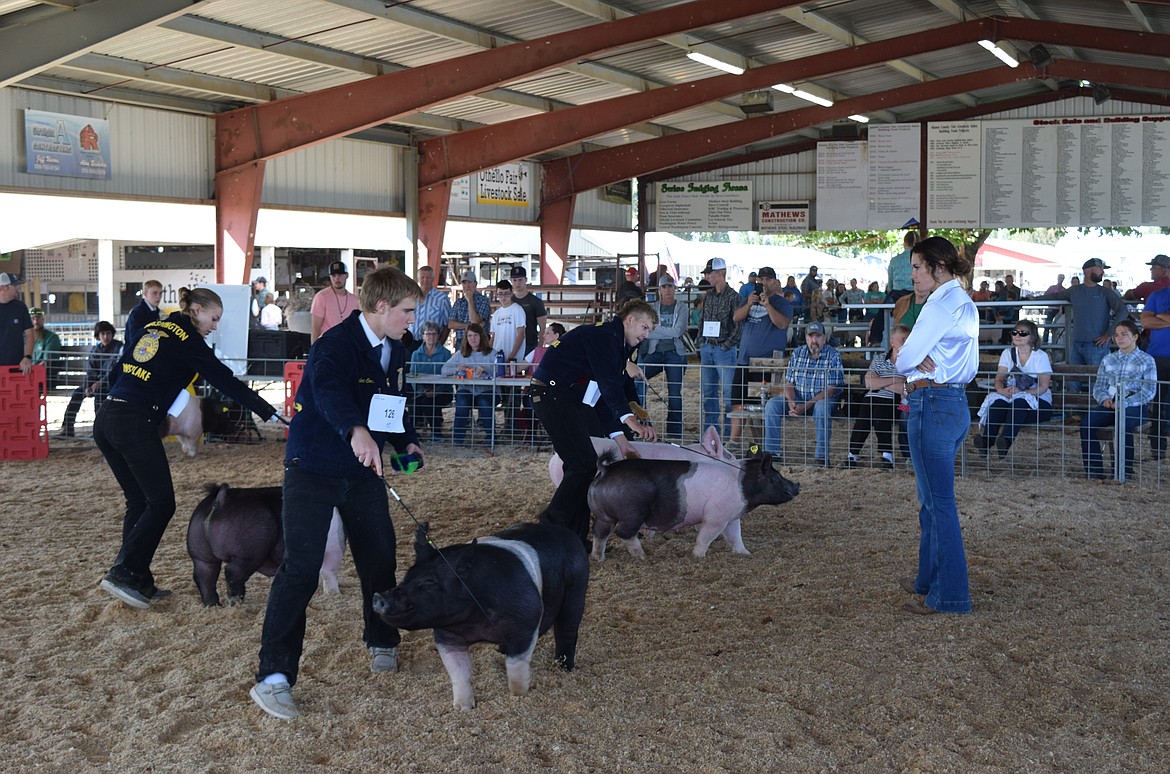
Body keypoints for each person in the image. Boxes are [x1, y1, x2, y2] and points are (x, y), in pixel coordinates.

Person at [251, 267, 423, 720]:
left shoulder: (395, 347)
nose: (412, 321)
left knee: (379, 556)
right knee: (301, 569)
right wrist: (355, 430)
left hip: (363, 470)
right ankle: (274, 677)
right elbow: (327, 392)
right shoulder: (334, 344)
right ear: (382, 307)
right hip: (313, 467)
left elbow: (389, 400)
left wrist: (405, 439)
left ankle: (382, 639)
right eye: (407, 311)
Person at [97, 287, 282, 610]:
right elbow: (225, 379)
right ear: (196, 310)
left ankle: (137, 576)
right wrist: (269, 412)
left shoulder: (152, 328)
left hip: (107, 419)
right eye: (214, 318)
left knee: (139, 501)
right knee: (161, 503)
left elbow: (117, 371)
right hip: (134, 422)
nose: (215, 326)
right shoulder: (187, 339)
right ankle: (123, 571)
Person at [895, 235, 979, 616]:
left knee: (939, 504)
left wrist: (910, 353)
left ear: (938, 268)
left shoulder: (937, 306)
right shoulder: (962, 302)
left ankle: (951, 595)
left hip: (932, 401)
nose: (912, 275)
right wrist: (916, 354)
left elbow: (903, 359)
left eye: (917, 267)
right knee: (932, 503)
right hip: (954, 402)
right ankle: (927, 581)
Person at [529, 300, 658, 545]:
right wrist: (631, 422)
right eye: (644, 327)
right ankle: (549, 527)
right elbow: (610, 388)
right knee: (583, 465)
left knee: (583, 466)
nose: (645, 335)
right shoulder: (604, 338)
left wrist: (622, 442)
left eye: (649, 330)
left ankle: (574, 538)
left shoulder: (616, 345)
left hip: (566, 398)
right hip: (550, 395)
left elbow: (601, 395)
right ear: (629, 319)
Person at [1079, 319, 1157, 480]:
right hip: (1112, 403)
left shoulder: (1147, 360)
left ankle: (1123, 471)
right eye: (1116, 335)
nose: (1119, 338)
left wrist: (1125, 403)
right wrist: (1104, 399)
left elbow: (1149, 391)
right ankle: (1094, 470)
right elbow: (1099, 386)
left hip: (1135, 404)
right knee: (1087, 423)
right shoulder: (1109, 359)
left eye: (1124, 334)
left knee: (1124, 423)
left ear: (1135, 337)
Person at [762, 321, 844, 467]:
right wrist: (791, 401)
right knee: (772, 405)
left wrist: (806, 405)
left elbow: (831, 389)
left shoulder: (833, 355)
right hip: (800, 397)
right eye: (811, 336)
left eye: (817, 336)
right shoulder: (798, 353)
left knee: (822, 408)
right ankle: (772, 453)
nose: (814, 340)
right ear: (806, 338)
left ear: (824, 338)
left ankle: (821, 457)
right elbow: (789, 383)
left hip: (823, 399)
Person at [972, 319, 1053, 457]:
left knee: (1019, 403)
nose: (1017, 336)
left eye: (1023, 333)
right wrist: (1001, 390)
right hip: (1012, 397)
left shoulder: (1040, 356)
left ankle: (1006, 441)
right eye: (1015, 332)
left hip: (1038, 402)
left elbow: (1043, 386)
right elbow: (999, 379)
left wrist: (1023, 393)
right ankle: (986, 442)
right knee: (997, 404)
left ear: (1032, 336)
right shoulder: (1007, 353)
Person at [730, 266, 792, 444]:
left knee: (763, 406)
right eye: (760, 280)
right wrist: (749, 303)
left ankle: (764, 443)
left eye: (767, 280)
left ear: (775, 282)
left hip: (768, 363)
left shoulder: (783, 304)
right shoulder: (749, 299)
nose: (763, 283)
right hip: (744, 360)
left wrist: (768, 305)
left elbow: (782, 324)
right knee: (738, 402)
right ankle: (734, 440)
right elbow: (736, 317)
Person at [1056, 258, 1129, 392]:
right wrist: (1032, 299)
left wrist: (1109, 333)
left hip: (1097, 344)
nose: (1102, 272)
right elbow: (1055, 297)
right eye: (1099, 269)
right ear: (1087, 271)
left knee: (1097, 383)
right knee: (1073, 380)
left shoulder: (1105, 292)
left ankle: (1094, 412)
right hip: (1077, 343)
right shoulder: (1075, 290)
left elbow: (1123, 310)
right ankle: (1075, 412)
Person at [844, 325, 910, 470]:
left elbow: (905, 388)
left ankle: (863, 455)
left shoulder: (911, 362)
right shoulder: (880, 359)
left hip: (894, 400)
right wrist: (893, 381)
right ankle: (857, 454)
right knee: (865, 415)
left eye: (908, 340)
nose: (906, 343)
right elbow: (868, 383)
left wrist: (880, 383)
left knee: (879, 410)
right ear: (892, 342)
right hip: (873, 396)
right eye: (902, 339)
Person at [636, 274, 688, 440]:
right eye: (664, 287)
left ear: (675, 289)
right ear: (659, 289)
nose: (667, 290)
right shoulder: (652, 308)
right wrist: (662, 332)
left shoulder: (682, 308)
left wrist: (656, 329)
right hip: (654, 353)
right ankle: (643, 424)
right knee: (637, 381)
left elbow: (678, 331)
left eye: (670, 286)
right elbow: (648, 331)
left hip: (675, 354)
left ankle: (674, 434)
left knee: (674, 394)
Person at [697, 258, 741, 439]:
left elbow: (738, 325)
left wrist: (727, 345)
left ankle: (729, 437)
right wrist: (701, 341)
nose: (707, 276)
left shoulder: (734, 296)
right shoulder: (707, 296)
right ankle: (711, 435)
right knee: (709, 393)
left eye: (710, 273)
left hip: (723, 349)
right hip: (708, 347)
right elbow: (702, 320)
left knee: (728, 395)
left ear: (721, 273)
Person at [59, 320, 122, 437]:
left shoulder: (118, 348)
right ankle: (68, 428)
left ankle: (100, 430)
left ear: (112, 334)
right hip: (96, 383)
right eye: (102, 334)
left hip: (112, 384)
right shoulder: (95, 350)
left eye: (108, 333)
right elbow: (90, 370)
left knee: (99, 395)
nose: (105, 337)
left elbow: (115, 370)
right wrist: (88, 386)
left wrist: (100, 383)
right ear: (98, 336)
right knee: (77, 393)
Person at [441, 323, 498, 445]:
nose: (473, 339)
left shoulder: (492, 353)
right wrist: (456, 369)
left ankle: (491, 438)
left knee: (484, 403)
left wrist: (487, 369)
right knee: (462, 403)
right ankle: (458, 440)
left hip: (487, 390)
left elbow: (501, 372)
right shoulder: (460, 354)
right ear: (466, 338)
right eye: (470, 336)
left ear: (481, 337)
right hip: (466, 390)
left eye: (475, 335)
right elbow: (444, 370)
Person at [407, 321, 453, 440]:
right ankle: (412, 434)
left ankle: (437, 434)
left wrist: (437, 391)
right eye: (428, 334)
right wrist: (422, 391)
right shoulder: (416, 354)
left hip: (443, 391)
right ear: (422, 336)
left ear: (438, 336)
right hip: (422, 391)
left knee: (429, 402)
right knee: (414, 403)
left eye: (434, 334)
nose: (431, 337)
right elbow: (413, 376)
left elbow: (449, 377)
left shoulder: (446, 354)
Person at [1141, 284, 1170, 460]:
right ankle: (1158, 449)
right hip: (1157, 356)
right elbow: (1145, 321)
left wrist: (1160, 318)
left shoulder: (1157, 298)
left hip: (1158, 355)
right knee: (1157, 405)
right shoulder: (1156, 295)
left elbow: (1151, 320)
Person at [310, 261, 361, 344]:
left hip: (348, 346)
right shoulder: (321, 297)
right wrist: (314, 352)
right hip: (328, 346)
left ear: (347, 276)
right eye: (333, 276)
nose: (337, 279)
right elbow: (315, 328)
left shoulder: (354, 299)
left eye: (340, 275)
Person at [408, 264, 452, 354]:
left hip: (432, 344)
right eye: (422, 277)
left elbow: (447, 325)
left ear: (433, 279)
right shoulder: (410, 297)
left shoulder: (442, 299)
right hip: (410, 343)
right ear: (418, 278)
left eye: (428, 277)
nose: (425, 280)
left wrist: (439, 345)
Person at [508, 265, 547, 355]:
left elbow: (542, 327)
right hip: (512, 344)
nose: (517, 283)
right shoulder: (509, 301)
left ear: (526, 280)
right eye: (514, 280)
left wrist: (539, 348)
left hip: (530, 344)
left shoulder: (536, 302)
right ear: (511, 281)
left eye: (520, 280)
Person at [0, 272, 34, 373]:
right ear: (4, 287)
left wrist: (27, 357)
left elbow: (29, 333)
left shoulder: (20, 307)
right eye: (14, 286)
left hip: (17, 366)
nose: (17, 289)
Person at [449, 269, 491, 349]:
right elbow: (451, 324)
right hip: (462, 341)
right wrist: (469, 326)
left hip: (479, 342)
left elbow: (475, 321)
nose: (467, 286)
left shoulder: (483, 300)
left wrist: (470, 300)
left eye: (470, 282)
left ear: (475, 284)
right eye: (464, 283)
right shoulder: (458, 302)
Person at [490, 280, 527, 362]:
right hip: (497, 358)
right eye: (500, 294)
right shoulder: (496, 314)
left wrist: (511, 356)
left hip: (512, 360)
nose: (503, 297)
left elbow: (521, 334)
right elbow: (493, 338)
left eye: (506, 293)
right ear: (496, 294)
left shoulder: (517, 309)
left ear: (511, 293)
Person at [123, 279, 163, 355]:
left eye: (160, 293)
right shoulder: (137, 313)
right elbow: (134, 337)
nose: (158, 296)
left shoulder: (155, 311)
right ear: (145, 294)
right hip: (135, 354)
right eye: (154, 293)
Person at [30, 307, 63, 388]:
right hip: (27, 376)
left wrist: (30, 374)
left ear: (43, 320)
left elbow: (46, 363)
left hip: (45, 378)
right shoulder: (25, 338)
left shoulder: (52, 338)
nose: (35, 322)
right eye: (32, 319)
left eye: (38, 318)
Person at [886, 231, 919, 302]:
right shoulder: (921, 259)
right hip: (916, 293)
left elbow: (890, 281)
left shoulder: (894, 260)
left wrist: (889, 290)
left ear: (905, 243)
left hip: (897, 294)